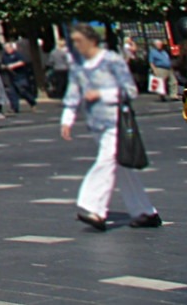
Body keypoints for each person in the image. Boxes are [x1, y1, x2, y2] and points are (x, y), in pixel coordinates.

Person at [61, 24, 160, 231]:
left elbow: (130, 90)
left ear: (92, 40)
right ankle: (145, 211)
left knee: (107, 159)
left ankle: (93, 207)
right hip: (96, 124)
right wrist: (67, 118)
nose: (76, 46)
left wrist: (102, 94)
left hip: (116, 121)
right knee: (122, 166)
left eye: (79, 41)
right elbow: (73, 93)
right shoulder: (79, 66)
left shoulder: (111, 61)